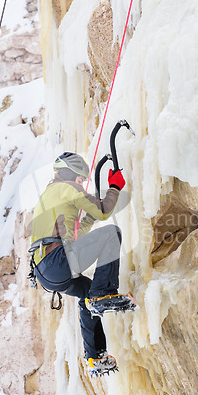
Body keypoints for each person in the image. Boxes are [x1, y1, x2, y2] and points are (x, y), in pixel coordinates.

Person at [30, 152, 128, 376]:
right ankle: (104, 294)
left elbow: (71, 236)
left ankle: (95, 356)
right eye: (81, 179)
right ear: (72, 175)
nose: (82, 183)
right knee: (112, 233)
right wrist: (114, 187)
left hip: (45, 271)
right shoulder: (68, 188)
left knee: (87, 293)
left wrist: (88, 219)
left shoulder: (48, 195)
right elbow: (104, 210)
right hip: (57, 260)